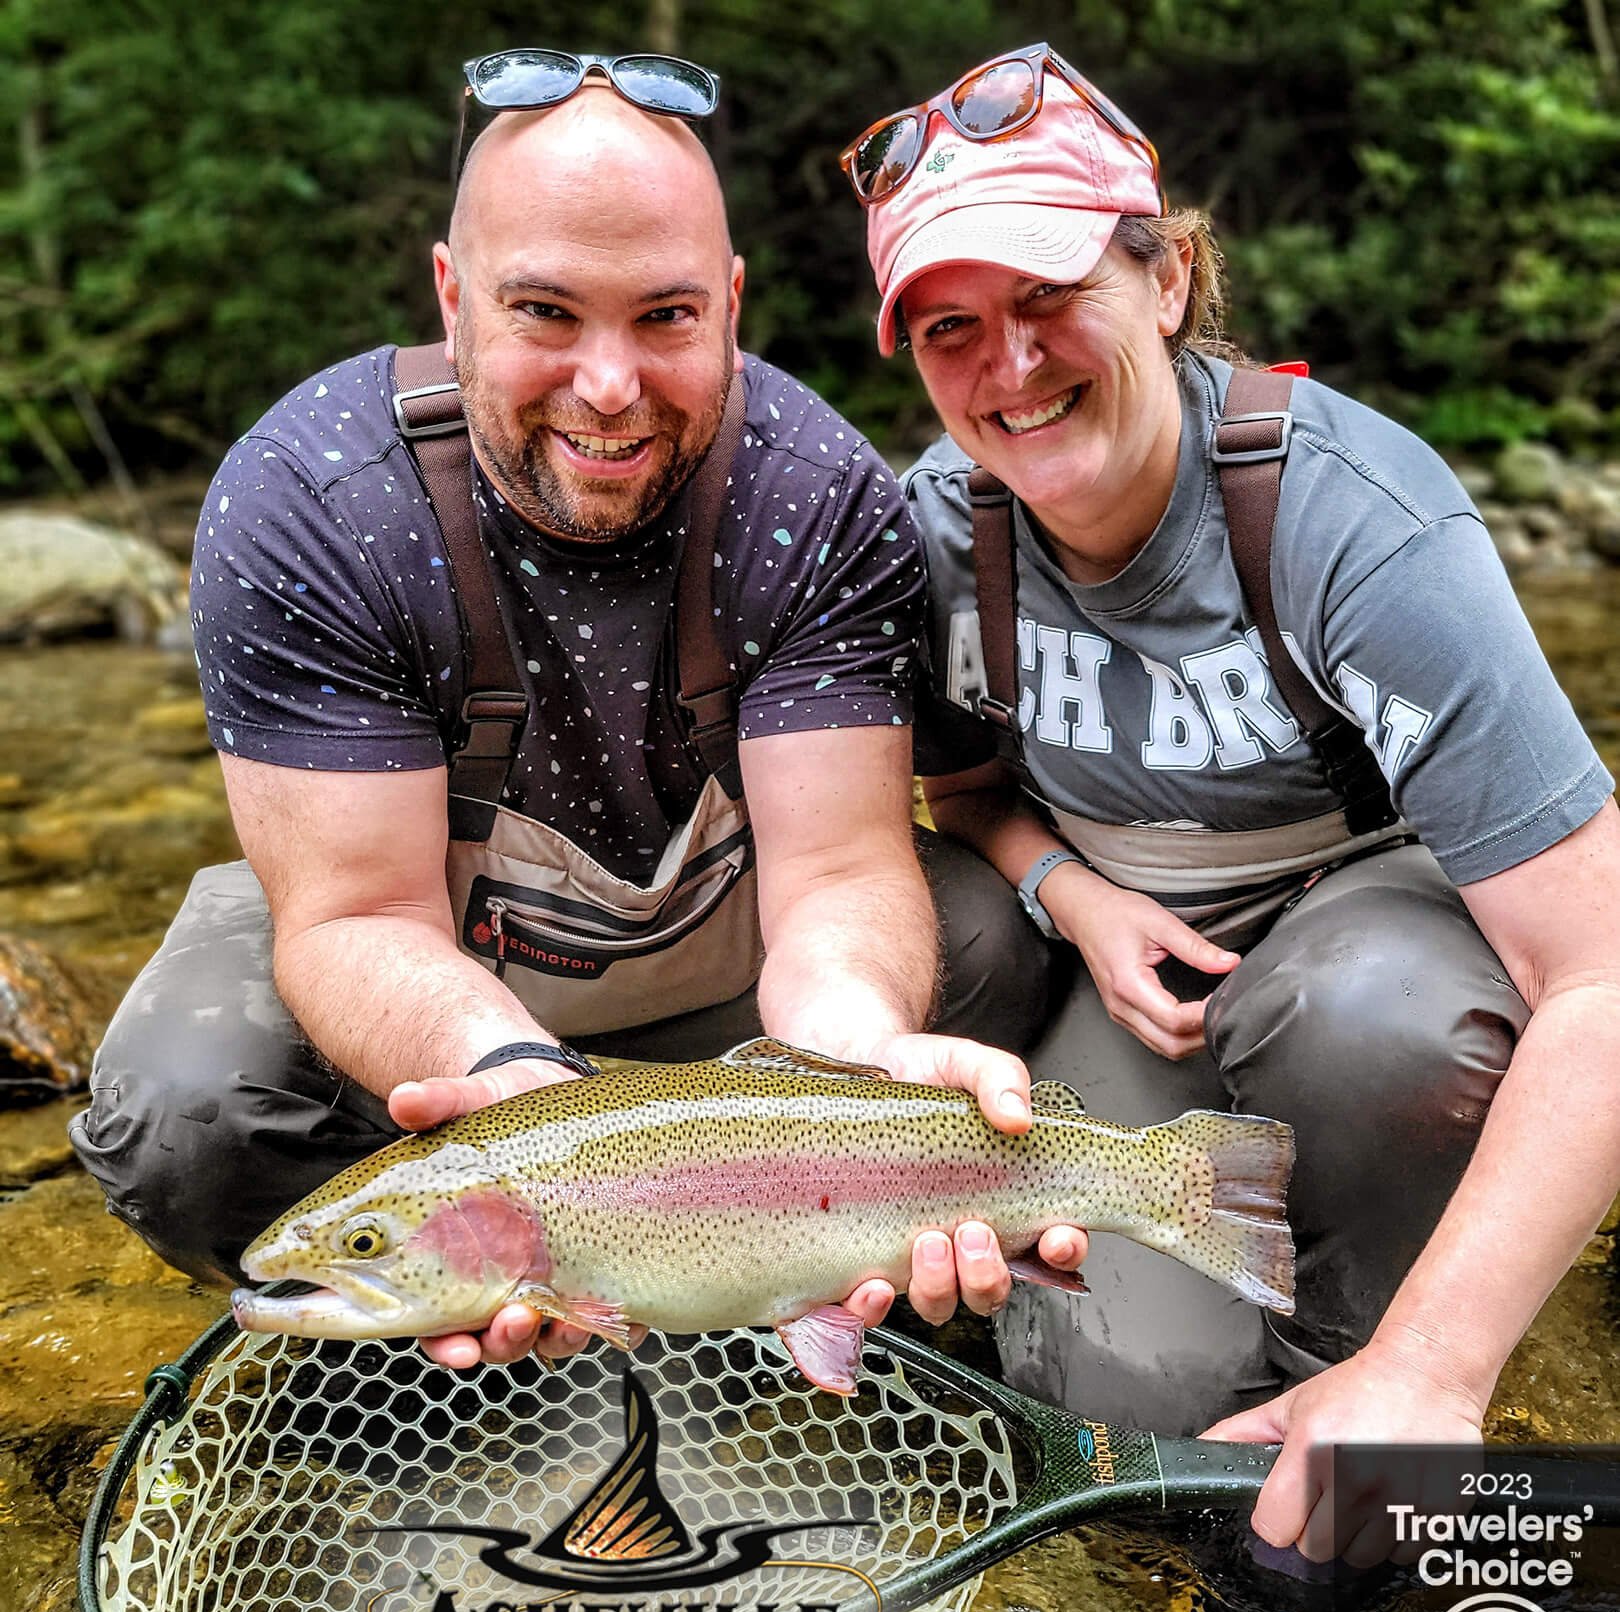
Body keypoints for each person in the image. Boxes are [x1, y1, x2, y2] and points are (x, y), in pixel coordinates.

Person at [68, 51, 1068, 1373]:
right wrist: (524, 1119)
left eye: (664, 318)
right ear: (452, 298)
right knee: (184, 1108)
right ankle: (407, 1358)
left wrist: (857, 1073)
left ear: (731, 306)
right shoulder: (310, 498)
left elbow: (835, 874)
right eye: (546, 311)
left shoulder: (816, 490)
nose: (609, 385)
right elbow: (361, 913)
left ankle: (791, 1278)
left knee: (987, 943)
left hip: (727, 993)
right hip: (427, 979)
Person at [842, 42, 1620, 1558]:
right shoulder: (937, 535)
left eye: (1052, 294)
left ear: (1172, 276)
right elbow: (962, 791)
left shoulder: (1353, 525)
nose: (1009, 367)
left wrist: (1437, 1374)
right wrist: (1069, 889)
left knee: (1377, 1016)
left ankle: (1366, 1351)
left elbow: (1602, 972)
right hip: (1128, 983)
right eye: (951, 330)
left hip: (1357, 950)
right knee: (1139, 1415)